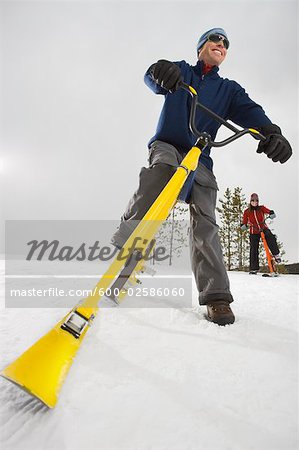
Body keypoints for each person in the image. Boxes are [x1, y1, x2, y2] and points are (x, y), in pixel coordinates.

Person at [111, 28, 292, 326]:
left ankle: (217, 295)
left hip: (201, 155)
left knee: (206, 219)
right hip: (168, 144)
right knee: (160, 176)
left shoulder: (229, 90)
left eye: (225, 43)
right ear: (200, 48)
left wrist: (272, 132)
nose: (220, 44)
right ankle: (123, 263)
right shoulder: (182, 71)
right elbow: (152, 77)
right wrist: (159, 72)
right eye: (215, 39)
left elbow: (251, 112)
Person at [241, 193, 281, 274]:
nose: (255, 202)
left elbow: (268, 211)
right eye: (253, 200)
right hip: (254, 231)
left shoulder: (261, 208)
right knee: (253, 248)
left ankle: (276, 255)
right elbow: (244, 222)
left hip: (263, 228)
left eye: (256, 201)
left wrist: (271, 212)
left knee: (270, 237)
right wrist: (243, 225)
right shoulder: (247, 212)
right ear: (250, 201)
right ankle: (254, 268)